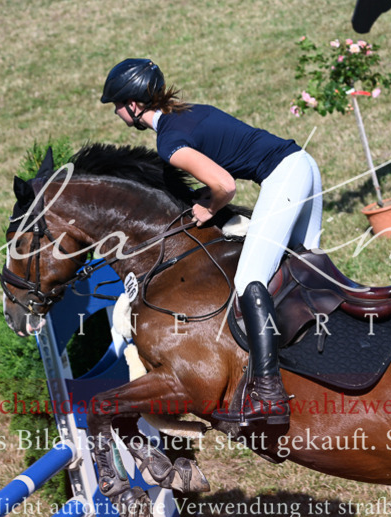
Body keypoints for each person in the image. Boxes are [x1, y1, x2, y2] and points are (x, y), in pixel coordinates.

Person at [101, 58, 323, 427]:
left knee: (249, 279)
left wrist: (208, 205)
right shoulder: (188, 113)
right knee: (305, 263)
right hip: (302, 165)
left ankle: (268, 393)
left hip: (283, 177)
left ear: (134, 105)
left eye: (117, 105)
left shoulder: (169, 141)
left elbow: (225, 185)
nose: (117, 113)